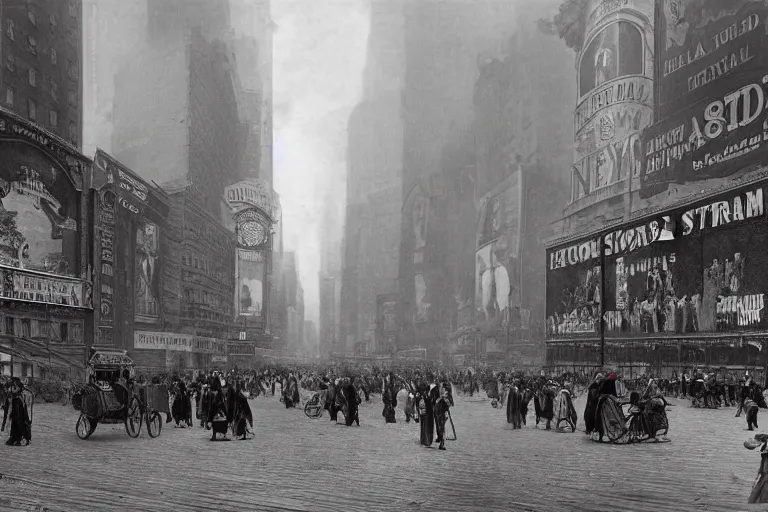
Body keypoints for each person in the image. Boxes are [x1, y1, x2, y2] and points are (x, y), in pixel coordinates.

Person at [2, 378, 31, 446]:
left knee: (19, 420)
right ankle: (14, 437)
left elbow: (16, 390)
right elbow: (10, 392)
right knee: (14, 420)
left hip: (19, 403)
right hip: (14, 402)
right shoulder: (11, 384)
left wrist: (12, 390)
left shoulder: (17, 384)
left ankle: (23, 438)